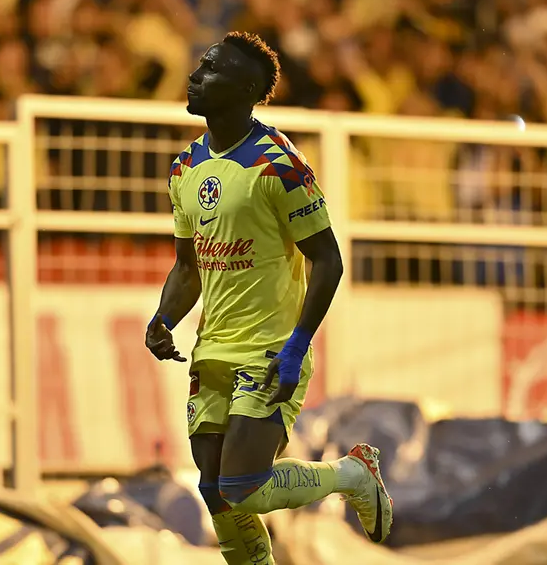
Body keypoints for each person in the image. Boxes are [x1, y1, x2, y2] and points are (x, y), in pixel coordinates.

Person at [145, 31, 393, 565]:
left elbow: (328, 260)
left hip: (269, 348)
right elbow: (188, 267)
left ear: (246, 89)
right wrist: (163, 317)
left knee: (242, 485)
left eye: (210, 69)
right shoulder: (184, 168)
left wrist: (297, 345)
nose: (194, 76)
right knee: (214, 490)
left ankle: (352, 474)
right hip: (212, 347)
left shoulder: (278, 163)